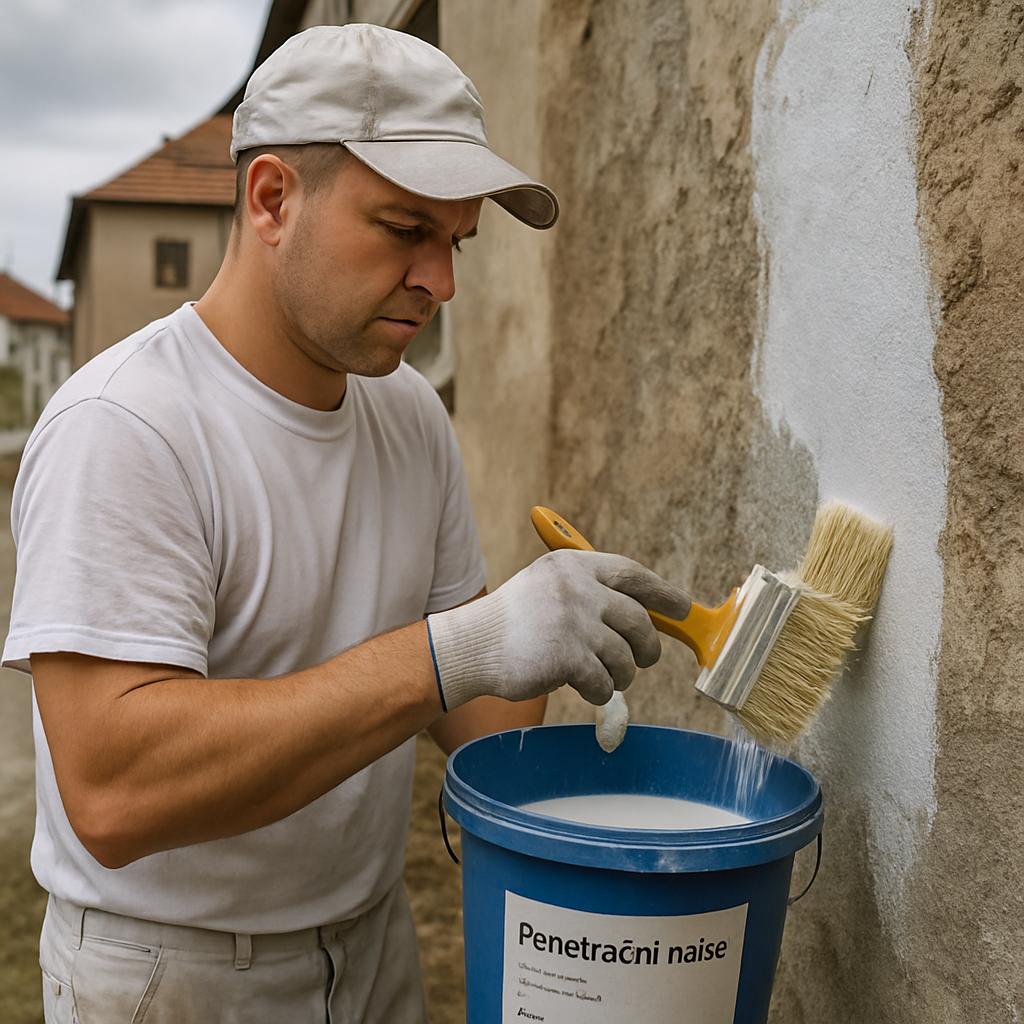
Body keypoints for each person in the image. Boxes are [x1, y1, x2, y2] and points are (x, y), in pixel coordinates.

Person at [4, 23, 689, 1023]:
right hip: (175, 976)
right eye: (404, 229)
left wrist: (548, 632)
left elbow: (472, 715)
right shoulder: (128, 426)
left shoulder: (406, 411)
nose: (441, 283)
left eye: (454, 242)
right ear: (272, 197)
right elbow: (114, 792)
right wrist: (460, 646)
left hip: (371, 943)